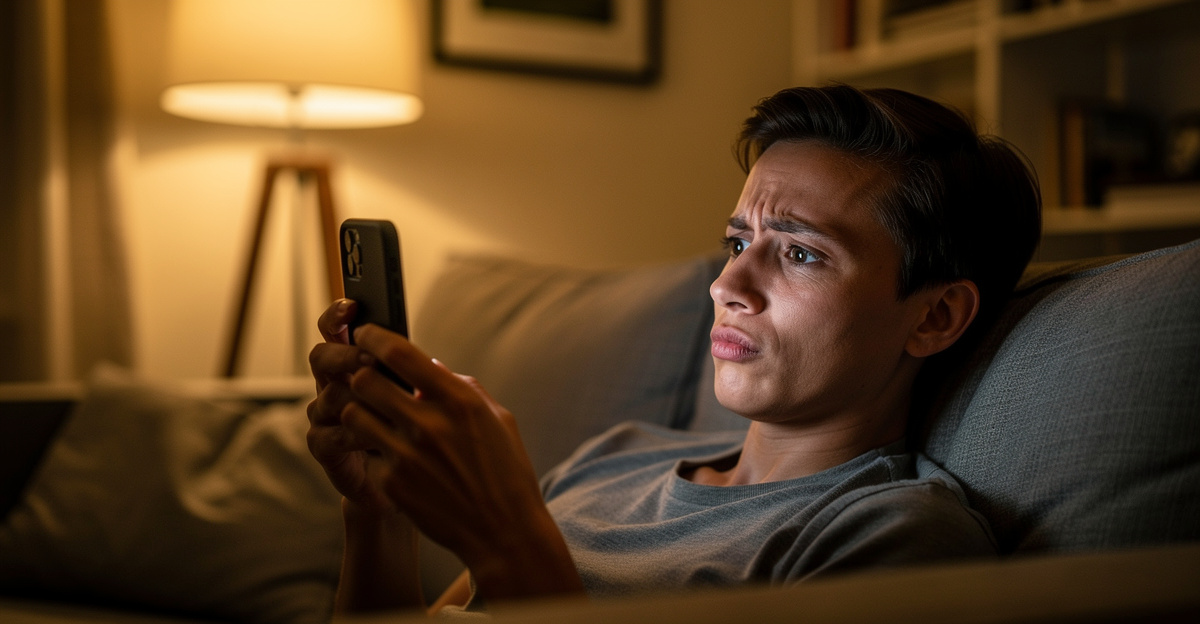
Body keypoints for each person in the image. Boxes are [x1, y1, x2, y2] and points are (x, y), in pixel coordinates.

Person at [305, 84, 1042, 615]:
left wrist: (508, 540)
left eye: (801, 254)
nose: (728, 285)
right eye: (738, 243)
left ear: (936, 316)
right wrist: (379, 514)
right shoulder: (613, 457)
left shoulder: (894, 536)